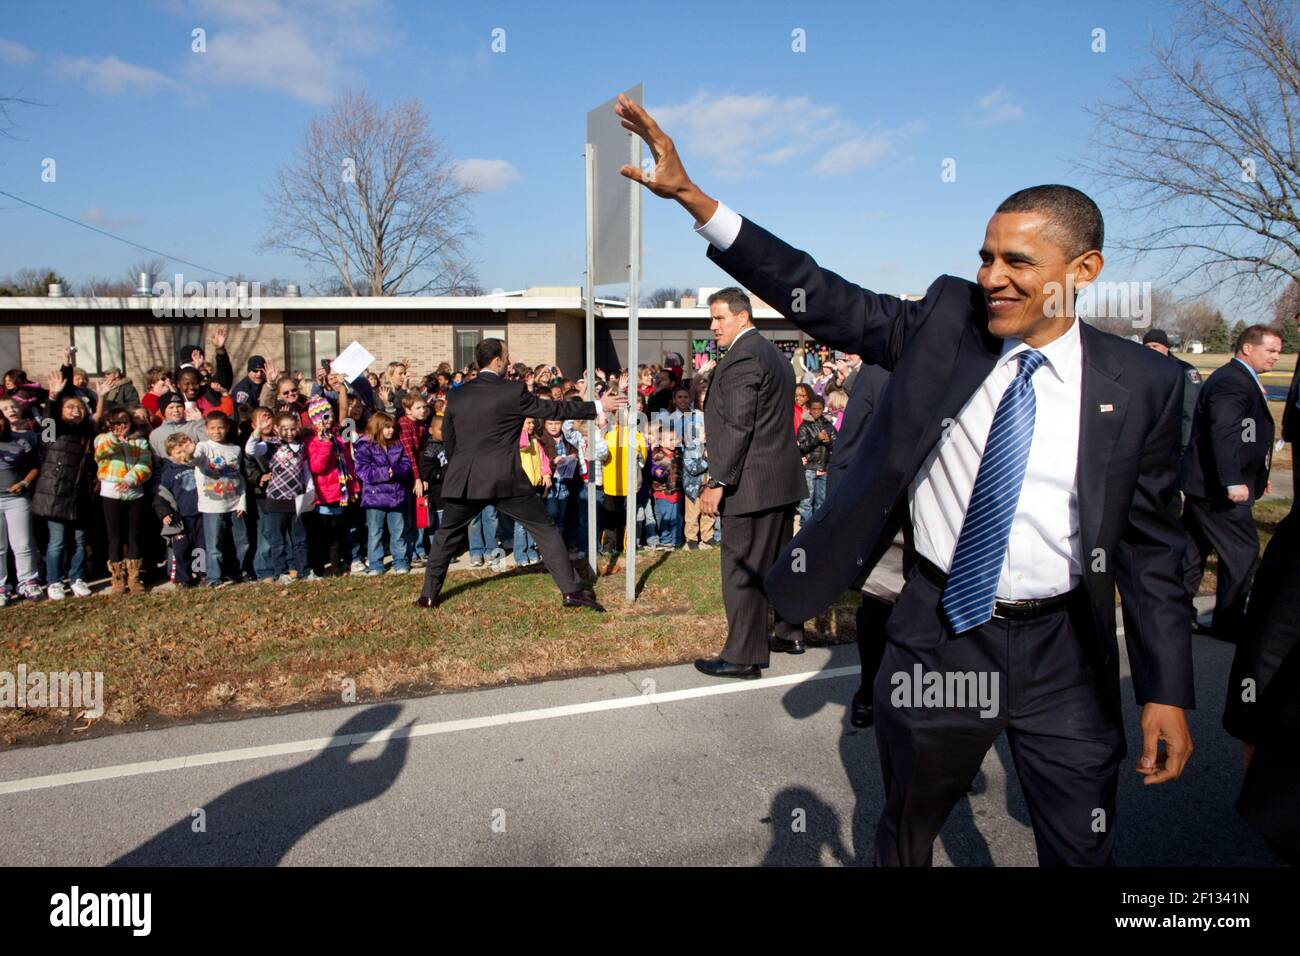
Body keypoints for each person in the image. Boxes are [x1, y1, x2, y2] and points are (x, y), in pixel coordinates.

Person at [616, 94, 1193, 866]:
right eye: (987, 255)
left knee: (1081, 842)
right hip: (942, 636)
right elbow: (820, 294)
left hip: (1065, 654)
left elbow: (1152, 550)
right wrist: (697, 201)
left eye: (1017, 262)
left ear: (1084, 270)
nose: (991, 277)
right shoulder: (944, 326)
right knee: (908, 828)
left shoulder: (1141, 383)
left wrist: (1167, 687)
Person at [416, 338, 625, 611]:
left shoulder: (457, 394)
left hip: (465, 478)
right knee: (545, 531)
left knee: (446, 537)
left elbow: (450, 440)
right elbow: (553, 409)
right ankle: (572, 592)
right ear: (496, 361)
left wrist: (460, 468)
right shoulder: (512, 391)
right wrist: (596, 406)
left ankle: (428, 596)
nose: (510, 361)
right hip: (505, 478)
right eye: (507, 356)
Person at [689, 287, 808, 677]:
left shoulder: (743, 357)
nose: (713, 325)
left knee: (742, 570)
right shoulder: (774, 354)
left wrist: (718, 480)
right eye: (712, 318)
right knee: (777, 565)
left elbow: (739, 425)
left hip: (751, 486)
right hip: (778, 480)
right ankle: (789, 632)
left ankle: (742, 657)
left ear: (743, 316)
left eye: (719, 317)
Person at [1180, 324, 1281, 641]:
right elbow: (1223, 433)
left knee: (1192, 553)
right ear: (1248, 348)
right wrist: (1233, 481)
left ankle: (1177, 616)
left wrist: (1256, 478)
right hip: (1218, 491)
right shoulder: (1232, 383)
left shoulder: (1239, 379)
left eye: (1279, 351)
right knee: (1243, 551)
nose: (1276, 357)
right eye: (1271, 350)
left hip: (1208, 487)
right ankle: (1228, 622)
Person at [32, 373, 97, 599]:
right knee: (57, 542)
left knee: (80, 541)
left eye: (79, 408)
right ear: (61, 411)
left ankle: (77, 577)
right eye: (70, 408)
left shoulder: (87, 434)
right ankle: (54, 581)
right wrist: (53, 397)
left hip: (79, 494)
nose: (76, 411)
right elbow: (48, 420)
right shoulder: (53, 432)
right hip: (56, 494)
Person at [247, 410, 313, 584]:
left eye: (292, 429)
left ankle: (304, 571)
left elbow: (305, 471)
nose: (289, 433)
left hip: (296, 499)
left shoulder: (301, 446)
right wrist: (257, 431)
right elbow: (250, 449)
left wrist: (310, 490)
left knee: (300, 539)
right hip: (276, 500)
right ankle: (280, 572)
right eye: (284, 429)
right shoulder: (271, 444)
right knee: (278, 540)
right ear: (276, 428)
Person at [94, 408, 153, 595]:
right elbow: (101, 452)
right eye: (116, 422)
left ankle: (134, 578)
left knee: (134, 536)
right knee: (115, 538)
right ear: (109, 424)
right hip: (111, 493)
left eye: (125, 421)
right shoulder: (102, 438)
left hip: (134, 492)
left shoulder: (140, 440)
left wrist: (130, 479)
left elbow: (146, 464)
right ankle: (118, 579)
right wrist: (114, 438)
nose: (121, 425)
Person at [192, 410, 248, 588]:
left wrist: (242, 501)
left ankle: (239, 572)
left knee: (242, 542)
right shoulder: (203, 447)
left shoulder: (235, 449)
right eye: (213, 428)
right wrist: (188, 452)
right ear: (206, 429)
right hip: (212, 506)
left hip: (234, 503)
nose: (217, 432)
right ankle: (213, 578)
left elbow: (239, 478)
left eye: (221, 428)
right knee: (214, 545)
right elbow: (193, 459)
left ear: (228, 428)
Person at [354, 411, 414, 575]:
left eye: (392, 427)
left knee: (398, 531)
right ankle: (375, 564)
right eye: (387, 427)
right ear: (377, 427)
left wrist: (395, 471)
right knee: (375, 532)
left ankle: (400, 561)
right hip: (375, 497)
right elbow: (362, 470)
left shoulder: (397, 445)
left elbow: (406, 465)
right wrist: (384, 473)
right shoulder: (365, 446)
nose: (391, 431)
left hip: (396, 496)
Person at [153, 431, 203, 591]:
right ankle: (183, 578)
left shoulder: (197, 466)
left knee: (201, 547)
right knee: (181, 549)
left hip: (200, 514)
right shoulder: (168, 473)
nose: (182, 455)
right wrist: (165, 513)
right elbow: (160, 497)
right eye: (178, 452)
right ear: (170, 455)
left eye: (184, 451)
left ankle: (202, 574)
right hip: (180, 519)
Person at [0, 413, 41, 604]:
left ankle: (27, 581)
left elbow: (34, 466)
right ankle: (2, 586)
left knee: (23, 543)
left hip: (16, 499)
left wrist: (24, 483)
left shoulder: (21, 441)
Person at [1142, 329, 1202, 454]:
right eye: (1147, 346)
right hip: (1150, 442)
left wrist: (1185, 445)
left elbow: (1190, 411)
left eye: (1155, 346)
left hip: (1175, 443)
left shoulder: (1183, 370)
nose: (1151, 349)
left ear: (1166, 347)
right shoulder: (1142, 370)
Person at [795, 395, 836, 528]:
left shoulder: (829, 425)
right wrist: (817, 439)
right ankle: (805, 527)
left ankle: (817, 528)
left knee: (821, 500)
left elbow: (836, 445)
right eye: (814, 409)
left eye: (819, 409)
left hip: (824, 468)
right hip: (810, 468)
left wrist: (828, 441)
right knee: (806, 500)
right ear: (809, 409)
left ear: (823, 409)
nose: (817, 412)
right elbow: (801, 446)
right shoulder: (804, 426)